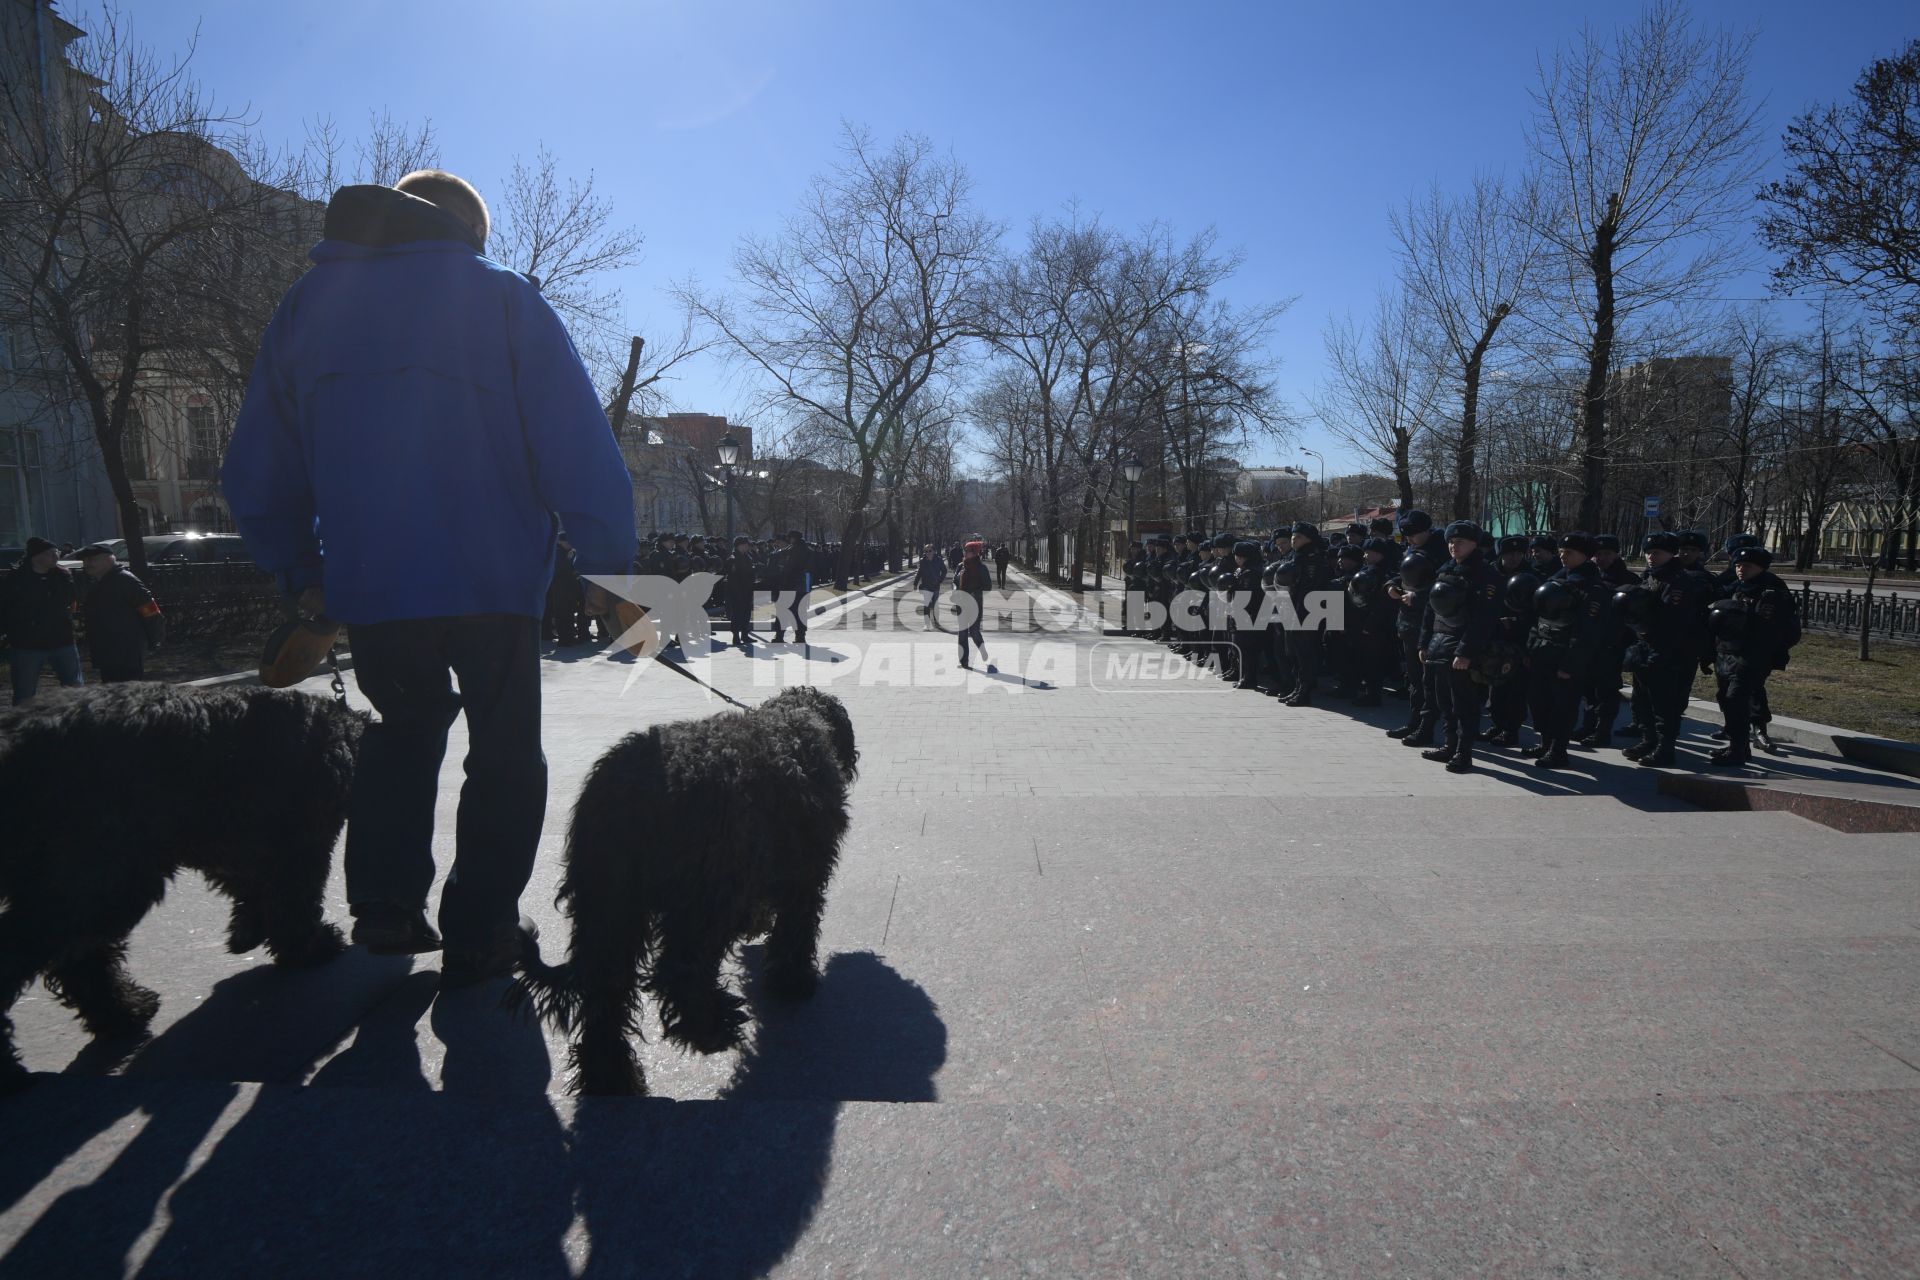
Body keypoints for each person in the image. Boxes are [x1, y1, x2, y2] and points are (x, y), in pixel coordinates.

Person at [222, 169, 636, 987]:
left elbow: (259, 466)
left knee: (403, 732)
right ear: (468, 234)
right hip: (492, 584)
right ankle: (480, 926)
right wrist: (610, 571)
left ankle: (383, 902)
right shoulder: (501, 298)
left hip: (374, 588)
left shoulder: (307, 307)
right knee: (506, 755)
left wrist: (301, 574)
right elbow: (578, 449)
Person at [1521, 533, 1611, 769]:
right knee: (1539, 701)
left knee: (1563, 706)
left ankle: (1558, 750)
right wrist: (1531, 649)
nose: (1563, 556)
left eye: (1569, 552)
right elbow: (1539, 616)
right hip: (1543, 650)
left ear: (1585, 555)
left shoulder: (1592, 588)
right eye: (1561, 551)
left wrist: (1571, 664)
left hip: (1566, 655)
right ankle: (1545, 741)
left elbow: (1588, 632)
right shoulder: (1556, 579)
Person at [1705, 546, 1799, 768]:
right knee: (1726, 699)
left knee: (1737, 699)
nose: (1741, 569)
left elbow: (1771, 630)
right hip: (1727, 653)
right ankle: (1738, 747)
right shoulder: (1736, 588)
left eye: (1747, 566)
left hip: (1752, 656)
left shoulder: (1771, 593)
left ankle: (1738, 751)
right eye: (1738, 565)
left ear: (1761, 568)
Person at [1418, 521, 1500, 772]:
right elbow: (1431, 610)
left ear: (1474, 544)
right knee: (1444, 701)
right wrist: (1424, 642)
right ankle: (1449, 746)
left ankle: (1464, 753)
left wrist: (1465, 651)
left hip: (1462, 647)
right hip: (1440, 643)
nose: (1454, 546)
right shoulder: (1446, 568)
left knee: (1464, 703)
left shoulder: (1485, 574)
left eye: (1460, 542)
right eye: (1451, 542)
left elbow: (1483, 619)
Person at [1, 537, 84, 704]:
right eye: (50, 554)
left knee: (75, 689)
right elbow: (5, 608)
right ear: (36, 556)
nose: (56, 557)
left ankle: (79, 724)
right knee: (25, 693)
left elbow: (72, 600)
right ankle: (22, 725)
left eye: (57, 553)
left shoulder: (62, 575)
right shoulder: (17, 578)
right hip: (27, 644)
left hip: (62, 640)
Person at [1386, 510, 1440, 743]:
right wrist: (1391, 585)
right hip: (1409, 622)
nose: (1409, 540)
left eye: (1413, 535)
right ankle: (1415, 721)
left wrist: (1417, 598)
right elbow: (1404, 574)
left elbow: (1444, 589)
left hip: (1430, 625)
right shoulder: (1413, 549)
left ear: (1427, 530)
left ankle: (1426, 727)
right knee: (1415, 679)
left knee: (1428, 681)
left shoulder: (1440, 552)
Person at [77, 544, 165, 682]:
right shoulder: (99, 582)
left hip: (126, 652)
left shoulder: (126, 581)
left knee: (128, 695)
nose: (87, 564)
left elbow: (151, 612)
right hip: (109, 651)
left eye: (92, 560)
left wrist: (154, 641)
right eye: (85, 561)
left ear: (108, 560)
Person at [954, 539, 993, 671]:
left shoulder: (981, 568)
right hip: (961, 603)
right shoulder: (961, 566)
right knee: (963, 632)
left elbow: (988, 586)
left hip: (975, 604)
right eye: (965, 550)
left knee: (974, 631)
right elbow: (955, 581)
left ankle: (982, 649)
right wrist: (955, 590)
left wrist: (973, 592)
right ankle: (964, 661)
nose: (965, 552)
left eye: (967, 550)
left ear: (975, 553)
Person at [770, 529, 812, 646]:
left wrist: (773, 555)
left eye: (790, 538)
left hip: (791, 585)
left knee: (783, 611)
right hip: (801, 586)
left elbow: (782, 556)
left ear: (794, 538)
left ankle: (779, 635)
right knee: (799, 612)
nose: (789, 540)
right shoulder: (806, 549)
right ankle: (800, 636)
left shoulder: (796, 549)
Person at [724, 535, 758, 650]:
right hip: (737, 592)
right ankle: (736, 636)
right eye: (744, 545)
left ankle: (745, 634)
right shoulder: (733, 559)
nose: (746, 547)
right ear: (738, 546)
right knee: (737, 614)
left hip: (747, 590)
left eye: (747, 545)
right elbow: (733, 577)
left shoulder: (747, 557)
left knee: (746, 614)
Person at [913, 543, 946, 620]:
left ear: (934, 551)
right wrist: (915, 583)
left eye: (930, 551)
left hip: (935, 585)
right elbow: (919, 572)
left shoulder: (939, 560)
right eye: (926, 551)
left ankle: (936, 620)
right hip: (926, 585)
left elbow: (944, 571)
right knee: (926, 604)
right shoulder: (922, 561)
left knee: (935, 603)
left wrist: (940, 580)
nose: (928, 553)